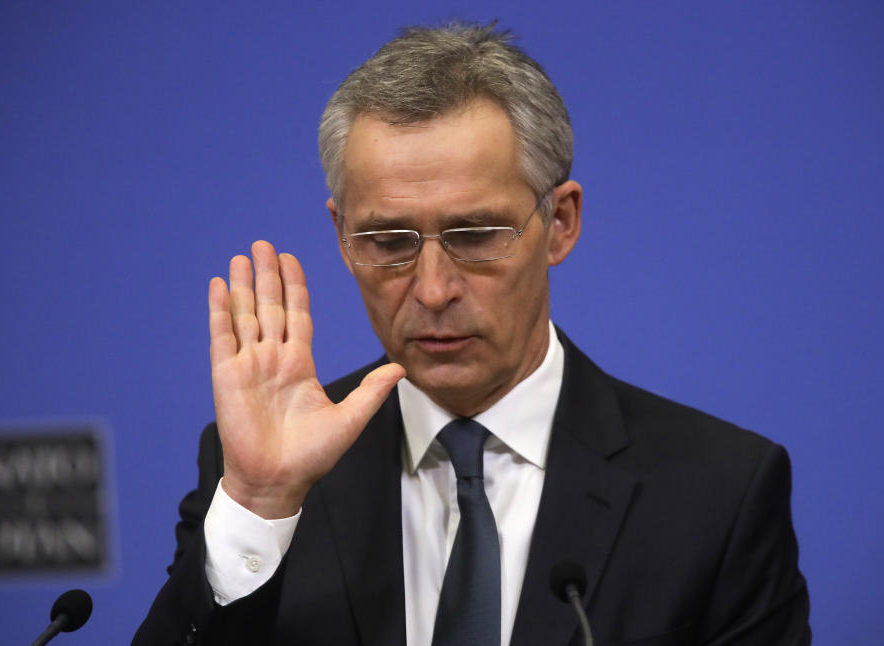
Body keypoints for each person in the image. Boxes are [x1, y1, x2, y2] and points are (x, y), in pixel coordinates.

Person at [133, 23, 810, 646]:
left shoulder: (718, 492)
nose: (432, 289)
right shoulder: (267, 472)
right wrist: (260, 505)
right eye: (389, 241)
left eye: (477, 235)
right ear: (342, 237)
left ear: (562, 223)